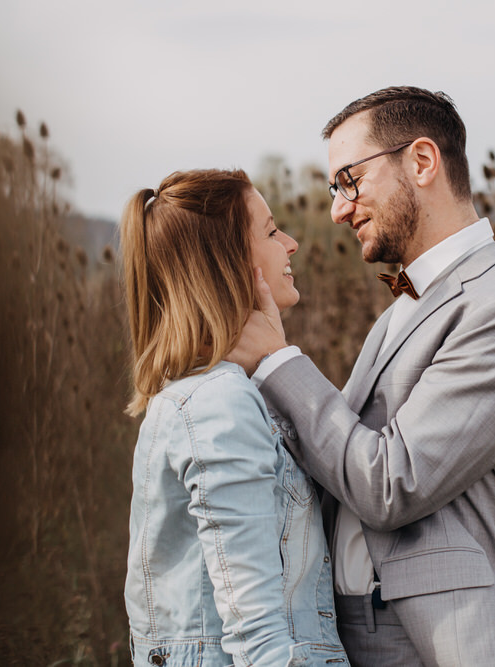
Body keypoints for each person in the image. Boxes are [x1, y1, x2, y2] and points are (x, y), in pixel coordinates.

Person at [226, 87, 495, 666]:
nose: (338, 209)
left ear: (421, 161)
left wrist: (277, 362)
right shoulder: (401, 309)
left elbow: (392, 483)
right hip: (349, 637)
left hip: (438, 645)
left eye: (349, 180)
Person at [120, 169, 350, 667]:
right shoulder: (221, 402)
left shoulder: (215, 394)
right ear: (228, 263)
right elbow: (258, 633)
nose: (290, 244)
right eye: (270, 232)